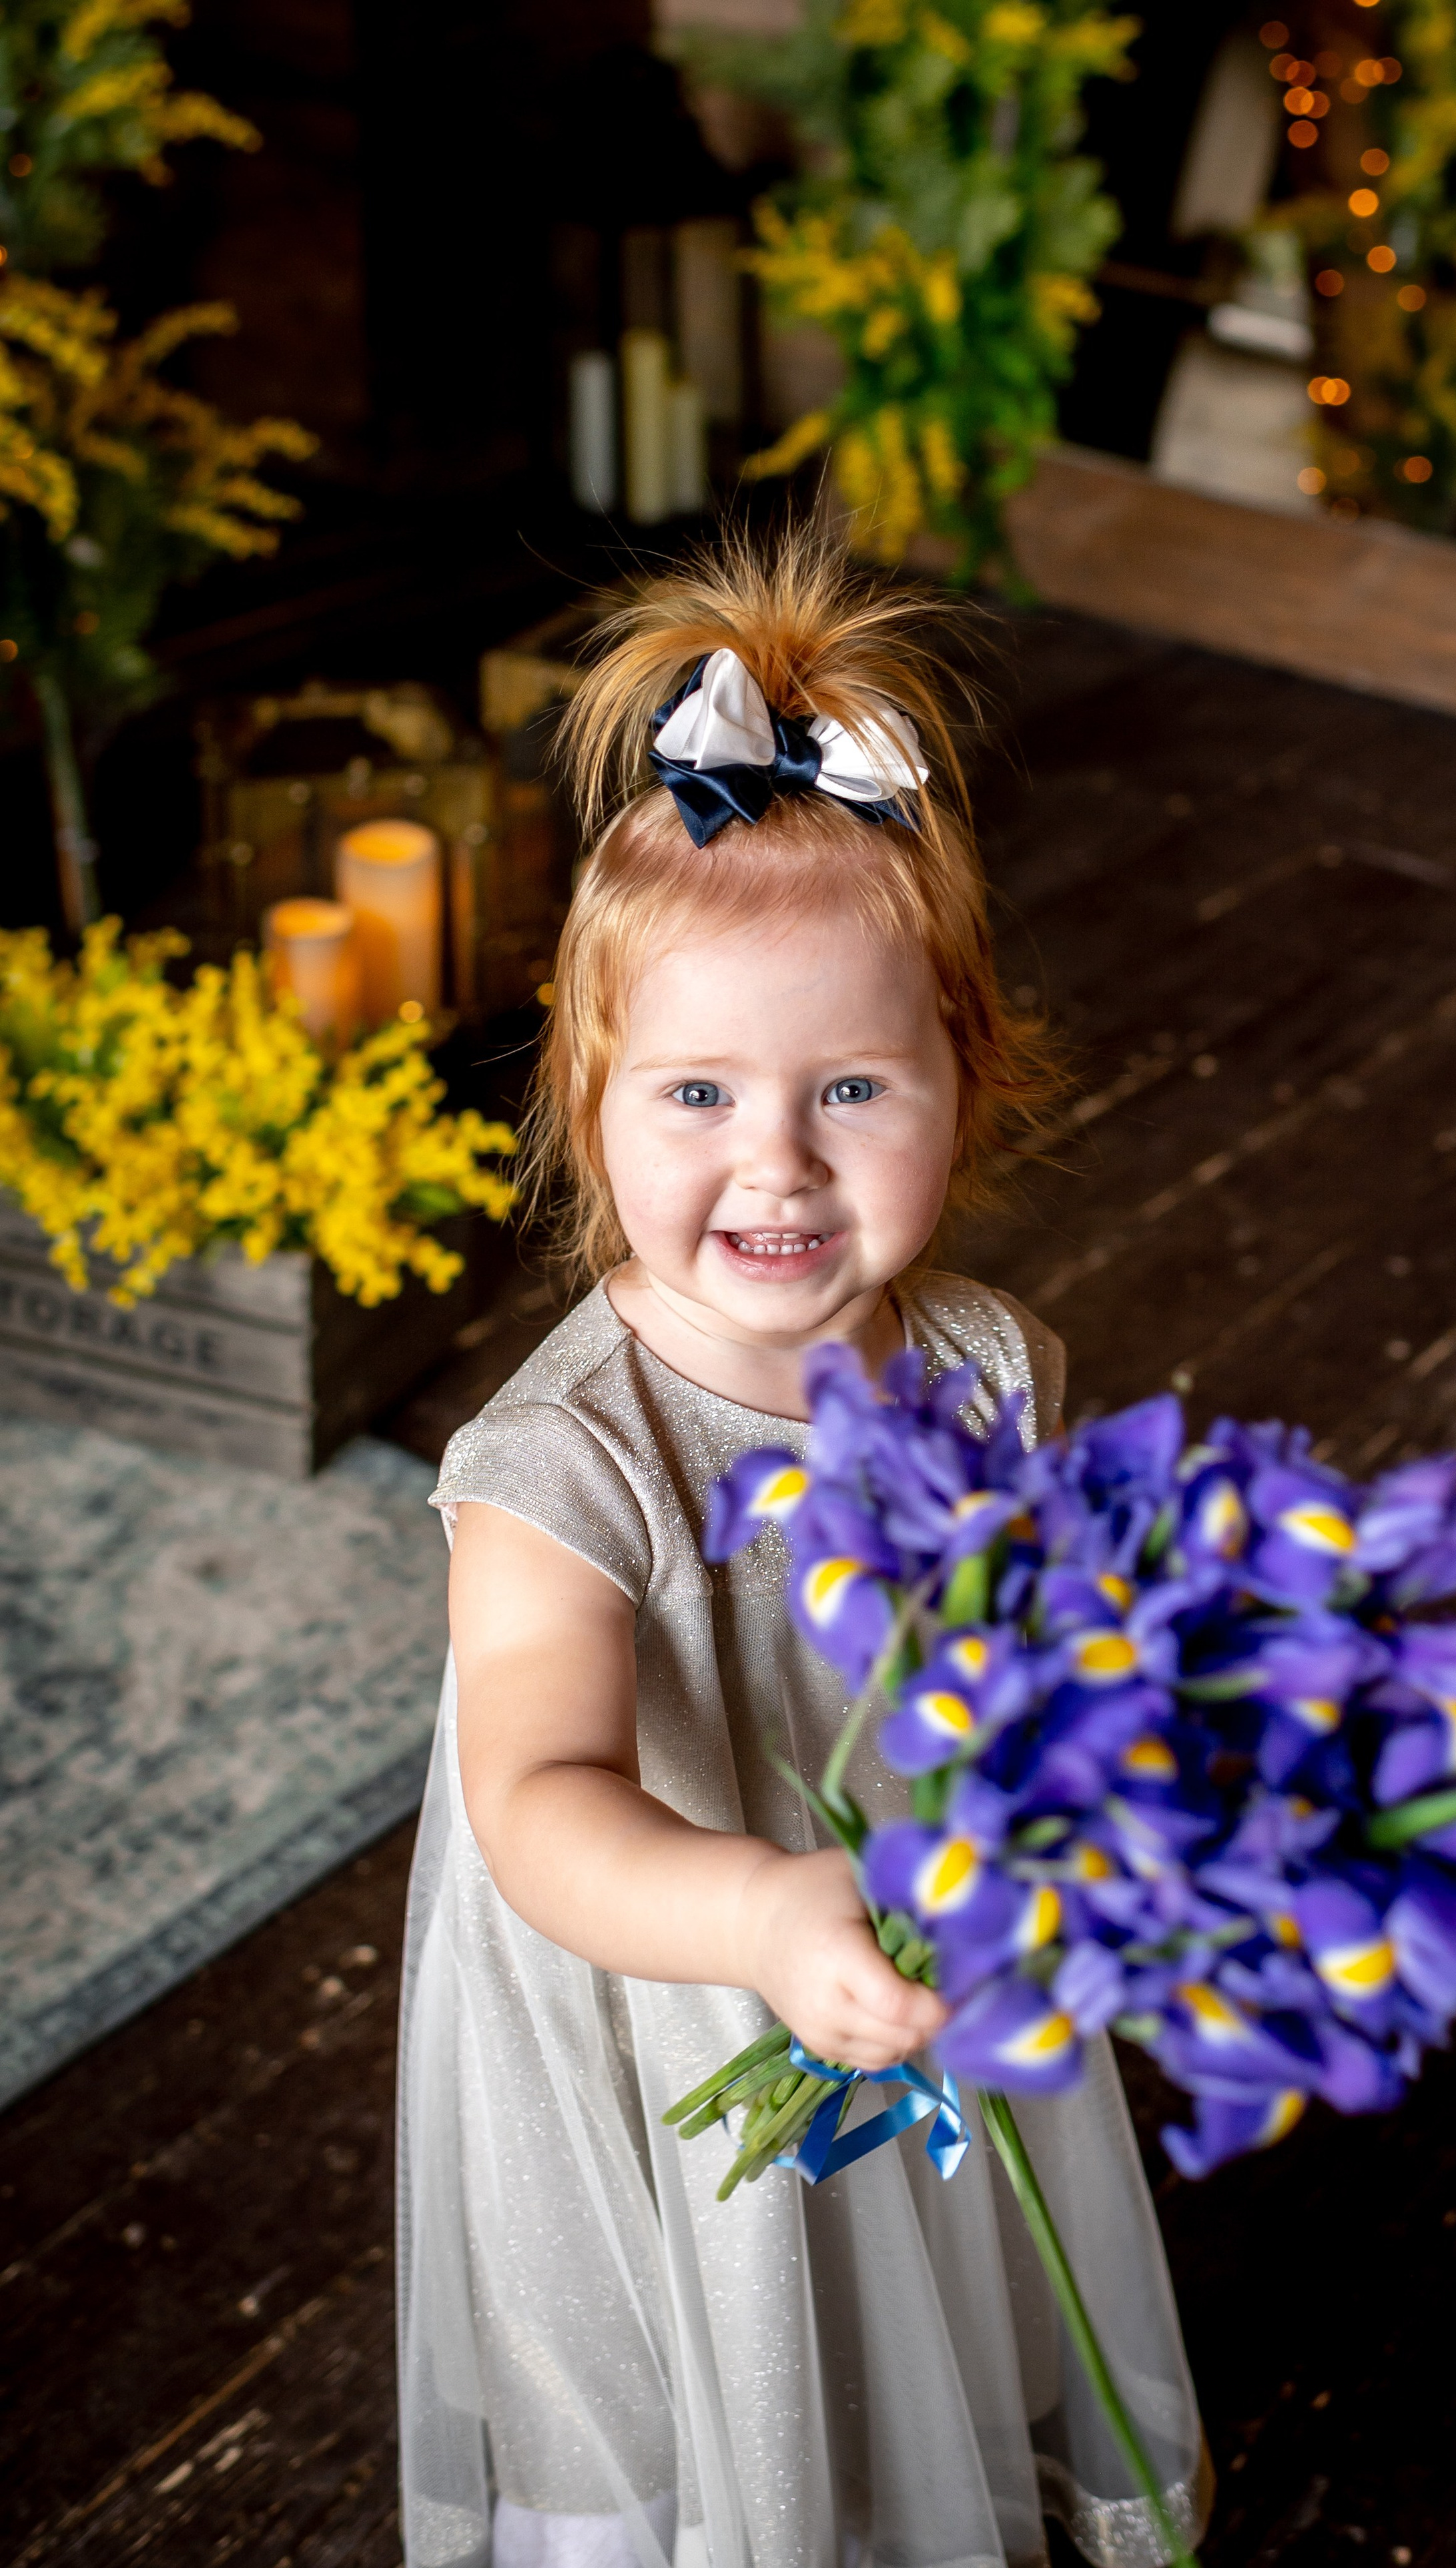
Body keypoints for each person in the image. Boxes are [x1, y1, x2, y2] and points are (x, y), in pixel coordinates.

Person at [397, 530, 1210, 2568]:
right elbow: (536, 1799)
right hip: (686, 2005)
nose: (777, 1158)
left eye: (854, 1083)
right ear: (587, 1108)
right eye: (695, 1092)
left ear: (967, 1080)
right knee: (745, 2338)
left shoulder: (984, 1365)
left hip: (923, 1941)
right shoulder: (563, 1473)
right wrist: (758, 1919)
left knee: (936, 2269)